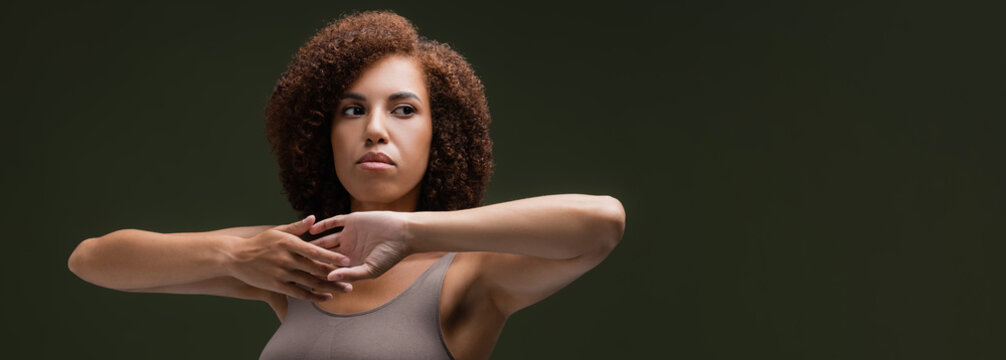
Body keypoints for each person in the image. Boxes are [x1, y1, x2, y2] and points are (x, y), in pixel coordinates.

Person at [67, 10, 626, 360]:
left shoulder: (472, 273)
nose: (375, 129)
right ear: (321, 134)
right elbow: (92, 261)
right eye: (352, 109)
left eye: (404, 110)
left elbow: (601, 221)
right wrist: (237, 253)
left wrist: (410, 233)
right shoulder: (296, 261)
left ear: (441, 134)